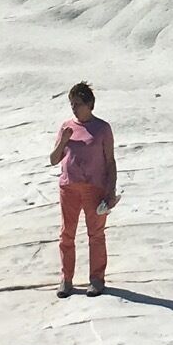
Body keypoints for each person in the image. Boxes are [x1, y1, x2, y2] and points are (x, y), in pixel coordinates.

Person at [49, 81, 118, 297]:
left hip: (94, 188)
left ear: (89, 104)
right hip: (69, 187)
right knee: (66, 234)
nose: (74, 108)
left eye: (77, 103)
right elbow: (53, 159)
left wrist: (111, 191)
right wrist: (64, 141)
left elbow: (110, 162)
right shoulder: (66, 127)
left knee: (95, 234)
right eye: (71, 104)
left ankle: (97, 279)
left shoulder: (102, 128)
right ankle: (66, 279)